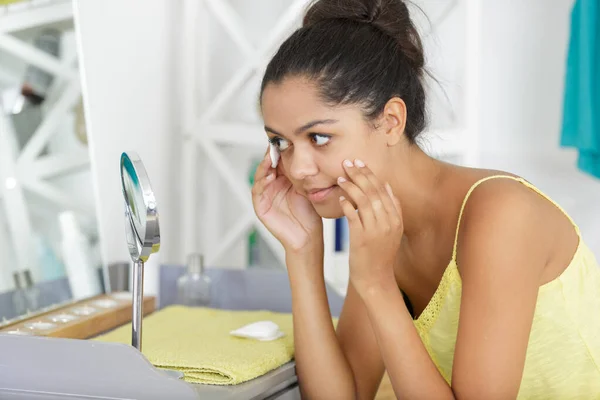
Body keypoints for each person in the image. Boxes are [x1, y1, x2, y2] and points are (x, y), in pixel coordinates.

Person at [251, 0, 600, 398]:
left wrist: (379, 285)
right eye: (281, 142)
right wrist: (302, 252)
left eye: (318, 137)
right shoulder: (381, 225)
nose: (297, 169)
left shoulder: (502, 217)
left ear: (390, 121)